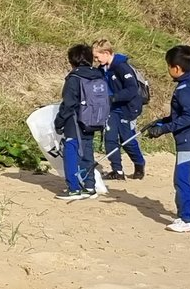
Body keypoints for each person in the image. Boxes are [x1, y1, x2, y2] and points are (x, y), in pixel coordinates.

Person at [145, 44, 190, 232]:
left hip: (189, 142)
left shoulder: (185, 88)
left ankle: (187, 219)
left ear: (176, 68)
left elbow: (187, 117)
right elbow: (184, 114)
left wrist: (164, 129)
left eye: (168, 66)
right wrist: (160, 122)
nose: (168, 69)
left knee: (182, 179)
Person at [54, 43, 110, 201]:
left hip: (74, 122)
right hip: (93, 120)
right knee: (87, 152)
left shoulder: (74, 78)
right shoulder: (98, 75)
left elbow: (68, 104)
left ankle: (74, 189)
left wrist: (59, 122)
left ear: (73, 61)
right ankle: (90, 186)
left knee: (71, 153)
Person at [93, 39, 146, 180]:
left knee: (127, 138)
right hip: (111, 109)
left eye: (97, 57)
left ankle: (139, 164)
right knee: (110, 138)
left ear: (106, 53)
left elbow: (132, 89)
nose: (96, 60)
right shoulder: (102, 69)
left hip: (128, 108)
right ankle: (118, 170)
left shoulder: (122, 67)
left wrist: (113, 98)